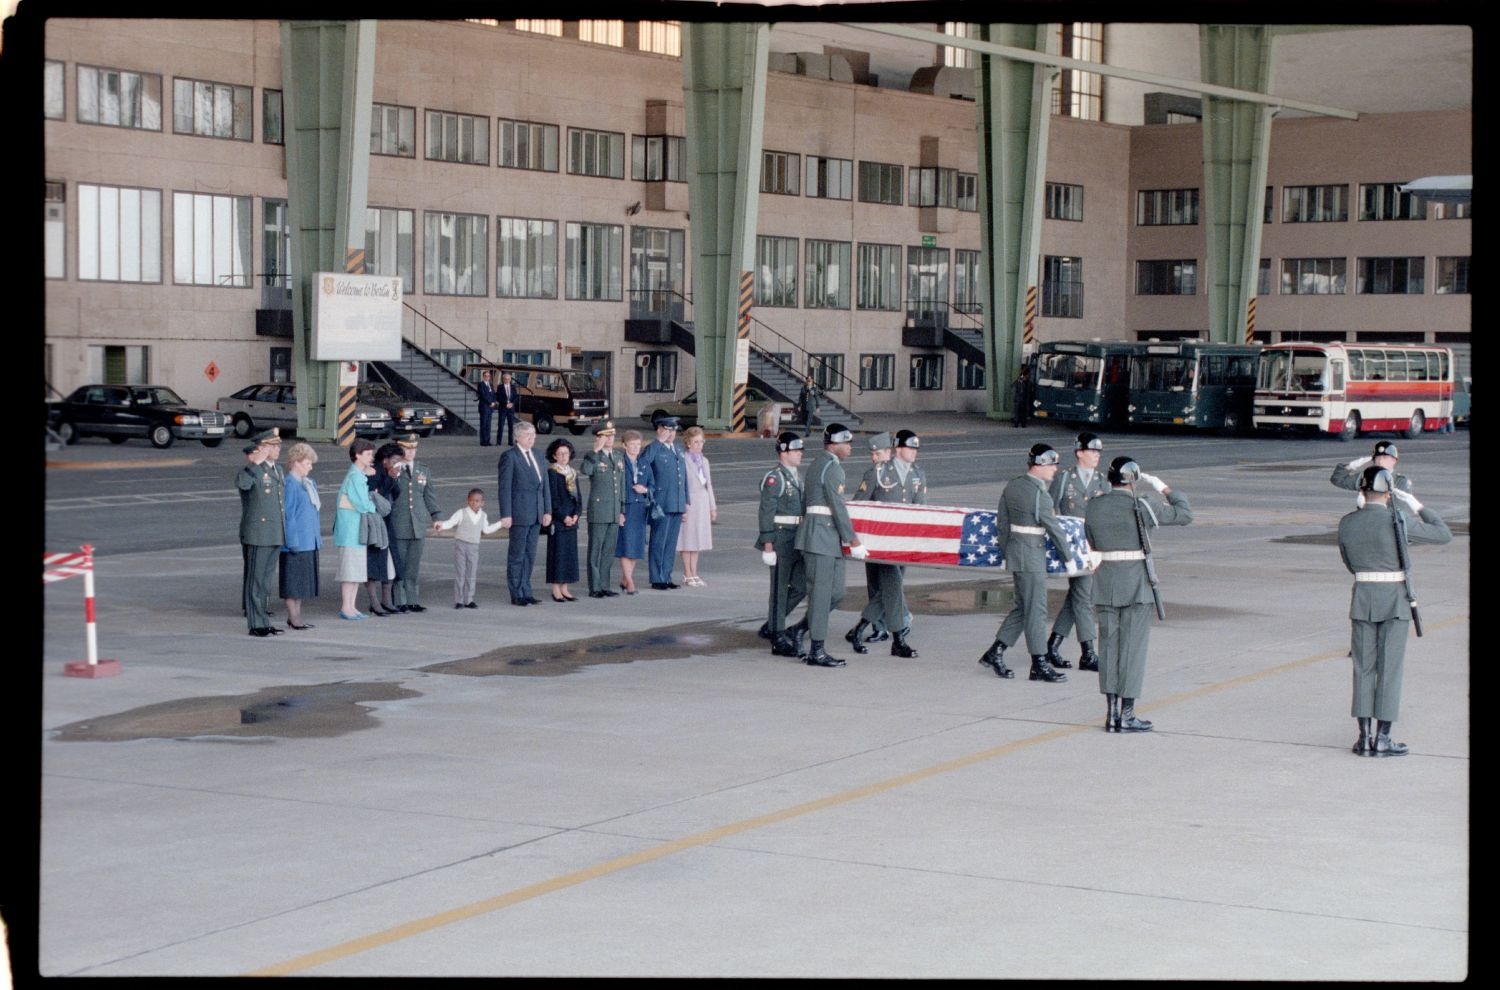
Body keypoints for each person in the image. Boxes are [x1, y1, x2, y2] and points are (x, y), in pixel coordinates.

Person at [1337, 466, 1451, 756]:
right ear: (1389, 493)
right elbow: (1443, 534)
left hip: (1363, 597)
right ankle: (1383, 739)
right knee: (1390, 669)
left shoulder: (1347, 523)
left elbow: (1349, 563)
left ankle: (1363, 739)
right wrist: (1418, 505)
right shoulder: (1397, 519)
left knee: (1363, 668)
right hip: (1395, 601)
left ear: (1362, 491)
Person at [1085, 456, 1193, 732]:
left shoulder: (1094, 506)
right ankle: (1128, 714)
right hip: (1135, 584)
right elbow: (1184, 514)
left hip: (1106, 581)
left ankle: (1110, 715)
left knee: (1108, 648)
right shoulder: (1142, 504)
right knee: (1132, 649)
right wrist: (1164, 488)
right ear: (1134, 480)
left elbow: (1093, 541)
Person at [979, 443, 1080, 683]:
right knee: (1036, 610)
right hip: (1032, 555)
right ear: (1041, 465)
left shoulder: (1013, 486)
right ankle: (1039, 663)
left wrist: (1008, 552)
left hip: (1016, 552)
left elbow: (1002, 523)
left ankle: (996, 651)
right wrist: (1069, 557)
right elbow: (1053, 528)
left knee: (1025, 608)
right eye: (1053, 465)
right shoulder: (1039, 495)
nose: (1055, 470)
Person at [792, 422, 867, 667]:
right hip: (821, 537)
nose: (850, 447)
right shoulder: (832, 468)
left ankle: (799, 629)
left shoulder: (820, 464)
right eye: (846, 443)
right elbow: (837, 506)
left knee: (836, 593)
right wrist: (853, 539)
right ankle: (817, 650)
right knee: (823, 594)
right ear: (834, 444)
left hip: (825, 537)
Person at [846, 430, 924, 659]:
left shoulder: (918, 474)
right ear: (898, 449)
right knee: (892, 587)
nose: (914, 452)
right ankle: (898, 639)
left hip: (904, 543)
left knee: (891, 588)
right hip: (881, 543)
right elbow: (858, 505)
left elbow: (921, 510)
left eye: (916, 448)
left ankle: (860, 628)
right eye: (911, 448)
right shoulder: (877, 472)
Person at [1044, 432, 1111, 672]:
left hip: (1093, 547)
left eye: (1098, 452)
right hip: (1072, 547)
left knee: (1077, 596)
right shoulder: (1064, 478)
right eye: (1092, 451)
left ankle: (1052, 645)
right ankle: (1088, 653)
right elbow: (1049, 508)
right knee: (1083, 597)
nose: (1096, 456)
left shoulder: (1102, 481)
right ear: (1079, 452)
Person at [757, 431, 808, 658]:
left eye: (800, 450)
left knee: (801, 586)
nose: (800, 454)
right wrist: (768, 544)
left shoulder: (796, 476)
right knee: (778, 591)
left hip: (796, 538)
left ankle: (772, 623)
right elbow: (766, 512)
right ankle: (777, 636)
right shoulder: (775, 478)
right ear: (783, 452)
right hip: (779, 540)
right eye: (795, 450)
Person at [846, 432, 895, 650]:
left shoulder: (903, 474)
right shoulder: (873, 474)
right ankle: (880, 626)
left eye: (878, 453)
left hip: (896, 538)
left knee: (892, 584)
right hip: (877, 538)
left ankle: (893, 622)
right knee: (876, 584)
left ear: (889, 452)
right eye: (872, 454)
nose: (874, 458)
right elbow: (859, 501)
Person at [236, 428, 286, 637]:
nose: (277, 449)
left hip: (274, 532)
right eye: (273, 446)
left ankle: (263, 620)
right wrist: (254, 463)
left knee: (265, 581)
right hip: (258, 533)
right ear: (262, 448)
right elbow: (243, 484)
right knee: (255, 581)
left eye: (278, 446)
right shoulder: (254, 470)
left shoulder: (277, 470)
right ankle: (255, 623)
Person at [498, 421, 552, 605]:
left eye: (533, 435)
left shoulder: (538, 454)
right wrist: (506, 513)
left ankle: (526, 589)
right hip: (519, 512)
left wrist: (547, 510)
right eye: (528, 435)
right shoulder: (510, 457)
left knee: (530, 554)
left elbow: (544, 486)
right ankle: (516, 593)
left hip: (536, 512)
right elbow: (504, 488)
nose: (532, 438)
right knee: (517, 554)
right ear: (518, 437)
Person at [390, 434, 442, 613]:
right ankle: (399, 600)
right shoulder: (394, 469)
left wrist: (436, 516)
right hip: (399, 523)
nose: (411, 452)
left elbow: (429, 495)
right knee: (400, 564)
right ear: (399, 449)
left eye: (413, 448)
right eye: (407, 448)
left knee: (413, 565)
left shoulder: (423, 470)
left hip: (417, 524)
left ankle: (412, 599)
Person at [435, 488, 504, 608]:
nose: (474, 503)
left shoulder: (483, 515)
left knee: (471, 572)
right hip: (461, 544)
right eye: (472, 500)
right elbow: (451, 522)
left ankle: (469, 599)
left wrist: (500, 524)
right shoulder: (461, 512)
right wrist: (442, 525)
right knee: (460, 572)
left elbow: (486, 530)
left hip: (474, 546)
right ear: (468, 501)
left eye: (477, 501)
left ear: (482, 503)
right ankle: (459, 600)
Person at [333, 438, 378, 621]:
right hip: (351, 530)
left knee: (356, 571)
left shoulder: (357, 475)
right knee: (350, 571)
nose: (371, 457)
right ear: (357, 455)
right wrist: (374, 506)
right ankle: (346, 607)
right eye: (367, 454)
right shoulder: (356, 476)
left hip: (354, 529)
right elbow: (362, 504)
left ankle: (351, 606)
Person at [641, 415, 689, 590]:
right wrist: (657, 442)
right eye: (667, 430)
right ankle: (657, 577)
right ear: (660, 430)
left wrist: (686, 502)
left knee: (670, 543)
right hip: (661, 502)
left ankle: (667, 575)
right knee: (659, 541)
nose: (671, 434)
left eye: (673, 430)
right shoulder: (654, 449)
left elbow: (683, 478)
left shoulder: (677, 449)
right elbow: (643, 463)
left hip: (677, 502)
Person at [579, 420, 624, 598]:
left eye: (612, 435)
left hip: (614, 510)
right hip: (599, 510)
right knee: (596, 549)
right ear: (599, 438)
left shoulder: (618, 456)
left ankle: (605, 584)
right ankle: (595, 586)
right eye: (607, 435)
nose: (611, 438)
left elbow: (622, 485)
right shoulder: (594, 456)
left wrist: (622, 510)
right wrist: (595, 451)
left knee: (608, 550)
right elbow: (585, 470)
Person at [279, 441, 321, 631]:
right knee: (292, 582)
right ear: (296, 462)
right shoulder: (290, 484)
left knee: (302, 583)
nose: (310, 467)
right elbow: (289, 515)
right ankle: (293, 617)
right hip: (296, 542)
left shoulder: (308, 483)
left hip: (308, 540)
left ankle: (296, 616)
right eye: (307, 463)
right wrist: (292, 541)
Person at [364, 442, 404, 617]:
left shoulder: (389, 472)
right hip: (374, 522)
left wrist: (394, 478)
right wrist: (389, 478)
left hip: (386, 521)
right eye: (394, 459)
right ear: (385, 459)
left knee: (389, 561)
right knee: (374, 562)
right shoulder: (374, 471)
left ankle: (386, 600)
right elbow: (375, 496)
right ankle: (374, 602)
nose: (397, 463)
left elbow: (396, 493)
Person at [676, 425, 718, 587]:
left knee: (698, 539)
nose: (699, 445)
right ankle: (687, 573)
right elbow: (681, 485)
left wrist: (712, 507)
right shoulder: (683, 460)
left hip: (702, 502)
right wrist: (683, 506)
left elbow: (709, 485)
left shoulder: (704, 461)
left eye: (701, 442)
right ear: (688, 443)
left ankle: (695, 572)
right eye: (695, 442)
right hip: (689, 502)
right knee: (687, 539)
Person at [615, 429, 652, 595]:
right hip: (627, 506)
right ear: (624, 445)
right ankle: (630, 581)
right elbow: (616, 488)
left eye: (638, 445)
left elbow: (653, 485)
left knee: (636, 546)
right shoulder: (620, 463)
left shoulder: (644, 463)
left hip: (640, 507)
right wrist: (620, 511)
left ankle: (625, 578)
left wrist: (645, 489)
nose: (636, 448)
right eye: (632, 445)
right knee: (626, 545)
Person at [545, 438, 582, 602]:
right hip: (559, 520)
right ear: (554, 456)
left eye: (566, 453)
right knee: (557, 555)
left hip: (571, 520)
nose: (563, 456)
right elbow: (553, 499)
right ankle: (555, 588)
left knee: (569, 555)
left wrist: (576, 514)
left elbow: (578, 497)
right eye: (560, 453)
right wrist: (563, 516)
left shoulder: (572, 473)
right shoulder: (552, 473)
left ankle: (565, 587)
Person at [1331, 440, 1414, 496]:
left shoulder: (1401, 481)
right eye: (1378, 458)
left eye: (1385, 458)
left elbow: (1400, 508)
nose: (1380, 461)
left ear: (1394, 460)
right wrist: (1351, 466)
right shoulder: (1366, 477)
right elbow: (1338, 480)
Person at [477, 369, 499, 446]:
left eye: (488, 376)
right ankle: (483, 441)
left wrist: (494, 402)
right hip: (484, 407)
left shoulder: (491, 385)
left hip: (490, 408)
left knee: (488, 425)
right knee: (483, 424)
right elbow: (482, 395)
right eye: (486, 376)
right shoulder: (481, 384)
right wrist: (489, 402)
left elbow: (494, 395)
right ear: (483, 376)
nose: (487, 377)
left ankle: (487, 440)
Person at [498, 371, 520, 445]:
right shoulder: (500, 387)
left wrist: (512, 403)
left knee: (511, 426)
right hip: (503, 408)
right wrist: (505, 403)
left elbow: (516, 397)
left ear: (510, 379)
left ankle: (510, 442)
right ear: (503, 379)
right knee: (501, 425)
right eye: (505, 379)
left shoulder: (513, 387)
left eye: (508, 379)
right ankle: (499, 442)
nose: (507, 380)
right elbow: (499, 397)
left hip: (511, 409)